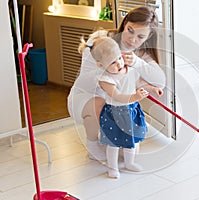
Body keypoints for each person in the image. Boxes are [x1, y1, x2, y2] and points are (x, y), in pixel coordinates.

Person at [67, 6, 165, 163]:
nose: (133, 40)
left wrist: (138, 64)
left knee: (130, 151)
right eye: (130, 30)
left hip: (116, 105)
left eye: (140, 37)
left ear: (148, 37)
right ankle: (92, 144)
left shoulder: (139, 53)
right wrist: (111, 69)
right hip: (89, 98)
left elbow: (160, 81)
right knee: (101, 104)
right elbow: (86, 79)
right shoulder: (102, 41)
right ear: (125, 23)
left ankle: (109, 139)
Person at [80, 36, 163, 178]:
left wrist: (151, 88)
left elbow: (138, 83)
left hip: (131, 111)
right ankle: (112, 168)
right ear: (101, 66)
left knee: (131, 139)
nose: (119, 63)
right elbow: (117, 95)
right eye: (113, 62)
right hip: (115, 113)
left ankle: (129, 163)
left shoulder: (127, 69)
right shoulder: (106, 79)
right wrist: (135, 97)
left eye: (119, 58)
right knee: (113, 142)